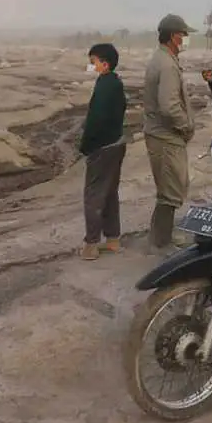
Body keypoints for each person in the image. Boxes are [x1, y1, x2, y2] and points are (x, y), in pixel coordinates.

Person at [143, 14, 196, 254]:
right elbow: (169, 106)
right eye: (184, 35)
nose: (186, 39)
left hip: (162, 135)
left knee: (168, 187)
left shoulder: (163, 59)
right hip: (165, 137)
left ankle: (160, 236)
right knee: (170, 191)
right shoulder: (166, 64)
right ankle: (161, 243)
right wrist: (185, 126)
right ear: (175, 36)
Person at [79, 43, 127, 260]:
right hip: (116, 143)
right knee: (109, 193)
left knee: (94, 195)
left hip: (102, 147)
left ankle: (91, 244)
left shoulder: (105, 85)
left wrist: (86, 145)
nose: (92, 66)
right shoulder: (115, 82)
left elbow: (96, 120)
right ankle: (113, 239)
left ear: (105, 64)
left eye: (94, 62)